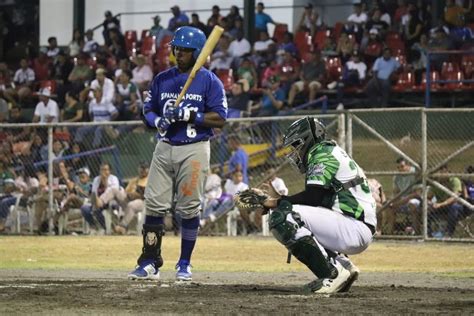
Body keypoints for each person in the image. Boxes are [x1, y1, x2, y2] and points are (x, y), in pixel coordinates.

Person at [129, 26, 227, 281]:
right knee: (154, 205)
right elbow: (147, 110)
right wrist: (158, 120)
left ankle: (184, 263)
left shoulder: (209, 81)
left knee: (189, 208)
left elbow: (220, 118)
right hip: (164, 146)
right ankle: (150, 260)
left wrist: (189, 115)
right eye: (176, 49)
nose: (179, 53)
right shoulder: (162, 78)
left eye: (185, 50)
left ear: (198, 53)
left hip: (194, 148)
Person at [260, 117, 376, 294]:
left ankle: (333, 274)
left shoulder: (321, 153)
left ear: (306, 140)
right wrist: (281, 199)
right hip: (355, 226)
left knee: (283, 217)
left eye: (296, 145)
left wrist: (275, 203)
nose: (294, 152)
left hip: (353, 227)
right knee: (291, 213)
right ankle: (343, 266)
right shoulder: (328, 150)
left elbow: (313, 197)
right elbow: (320, 200)